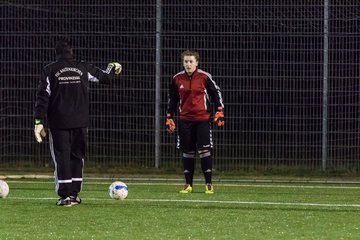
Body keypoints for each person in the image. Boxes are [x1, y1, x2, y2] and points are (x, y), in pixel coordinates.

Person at [33, 38, 122, 206]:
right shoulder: (82, 67)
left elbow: (42, 96)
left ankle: (65, 197)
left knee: (62, 158)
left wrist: (39, 121)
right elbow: (106, 78)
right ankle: (74, 195)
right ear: (71, 52)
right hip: (80, 122)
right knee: (77, 157)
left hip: (59, 123)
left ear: (56, 53)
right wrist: (113, 66)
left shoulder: (49, 70)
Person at [166, 49, 224, 194]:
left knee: (205, 151)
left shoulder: (204, 77)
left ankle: (209, 184)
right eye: (186, 61)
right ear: (183, 63)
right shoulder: (177, 78)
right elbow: (172, 99)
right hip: (185, 120)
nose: (188, 64)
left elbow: (216, 93)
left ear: (197, 63)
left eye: (191, 61)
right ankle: (188, 184)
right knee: (187, 152)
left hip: (202, 119)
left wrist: (219, 110)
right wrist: (169, 117)